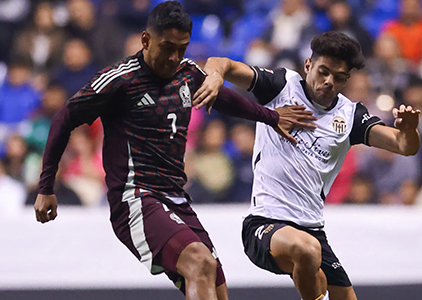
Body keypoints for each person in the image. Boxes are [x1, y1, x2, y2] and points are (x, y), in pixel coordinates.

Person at [33, 2, 316, 300]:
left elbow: (223, 99)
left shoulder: (187, 73)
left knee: (217, 286)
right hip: (136, 199)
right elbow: (65, 117)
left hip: (176, 199)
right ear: (146, 40)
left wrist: (272, 117)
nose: (173, 57)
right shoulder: (120, 80)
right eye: (167, 47)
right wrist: (46, 186)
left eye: (181, 48)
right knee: (199, 262)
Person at [193, 31, 421, 300]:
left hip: (313, 231)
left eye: (338, 77)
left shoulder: (350, 117)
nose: (328, 82)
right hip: (264, 225)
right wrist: (217, 75)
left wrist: (409, 130)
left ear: (347, 80)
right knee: (307, 251)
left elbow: (405, 146)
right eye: (323, 71)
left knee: (320, 264)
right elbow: (221, 62)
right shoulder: (281, 86)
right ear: (308, 65)